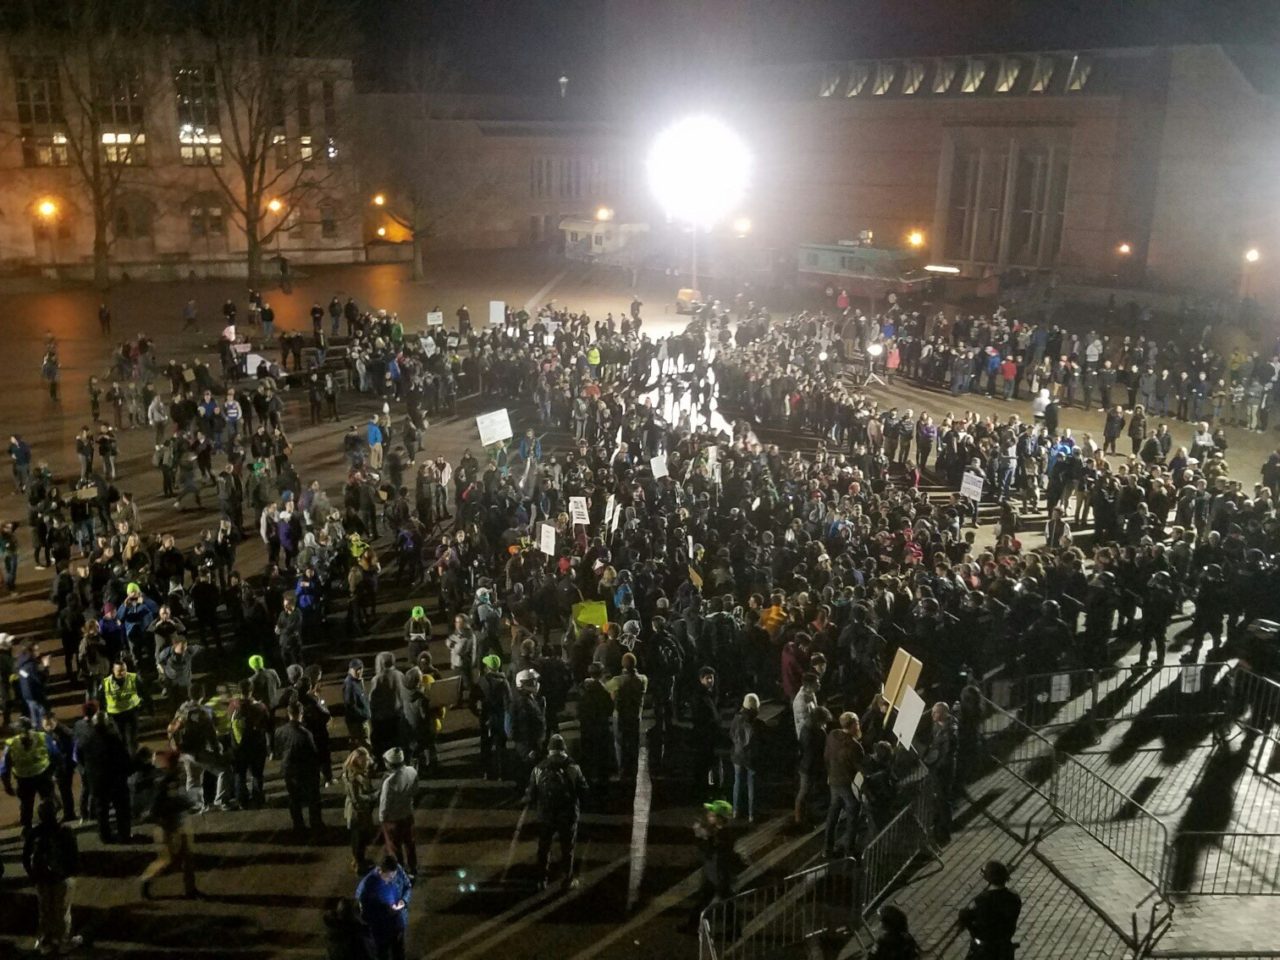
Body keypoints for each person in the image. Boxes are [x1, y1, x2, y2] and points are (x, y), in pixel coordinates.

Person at [525, 733, 588, 891]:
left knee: (544, 846)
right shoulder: (573, 767)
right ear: (564, 748)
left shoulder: (539, 768)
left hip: (546, 814)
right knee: (568, 847)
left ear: (549, 749)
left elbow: (531, 793)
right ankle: (567, 879)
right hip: (567, 814)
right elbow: (583, 790)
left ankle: (541, 880)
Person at [22, 798, 84, 955]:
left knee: (45, 910)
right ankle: (63, 942)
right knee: (62, 911)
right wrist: (72, 873)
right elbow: (73, 857)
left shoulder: (34, 833)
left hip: (41, 879)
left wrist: (33, 875)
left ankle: (45, 942)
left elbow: (25, 857)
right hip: (61, 878)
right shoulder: (65, 831)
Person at [139, 749, 201, 899]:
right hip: (168, 825)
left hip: (178, 822)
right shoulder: (165, 781)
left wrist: (187, 803)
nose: (181, 766)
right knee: (167, 860)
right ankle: (146, 880)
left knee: (188, 858)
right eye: (178, 763)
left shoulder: (171, 778)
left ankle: (191, 890)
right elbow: (157, 807)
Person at [685, 799, 743, 932]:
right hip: (714, 872)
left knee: (724, 901)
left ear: (719, 818)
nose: (708, 816)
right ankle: (693, 925)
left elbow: (712, 852)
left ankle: (734, 929)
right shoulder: (718, 832)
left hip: (718, 874)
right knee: (708, 898)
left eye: (712, 815)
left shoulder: (723, 835)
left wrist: (703, 838)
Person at [275, 698, 325, 836]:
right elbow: (313, 753)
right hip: (305, 769)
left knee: (294, 798)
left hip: (288, 769)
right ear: (301, 713)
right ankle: (316, 823)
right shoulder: (305, 734)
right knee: (313, 798)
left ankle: (298, 824)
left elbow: (277, 750)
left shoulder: (279, 731)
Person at [2, 716, 58, 832]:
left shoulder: (11, 744)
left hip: (24, 780)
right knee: (48, 801)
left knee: (26, 806)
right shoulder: (42, 737)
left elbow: (4, 768)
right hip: (43, 775)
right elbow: (55, 755)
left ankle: (27, 829)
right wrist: (53, 772)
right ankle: (52, 825)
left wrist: (7, 785)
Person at [959, 860, 1022, 960]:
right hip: (1005, 948)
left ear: (988, 878)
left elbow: (966, 916)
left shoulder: (982, 900)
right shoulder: (1014, 897)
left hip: (985, 949)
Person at [823, 711, 865, 858]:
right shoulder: (854, 746)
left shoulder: (832, 735)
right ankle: (850, 850)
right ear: (853, 725)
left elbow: (826, 756)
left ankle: (827, 849)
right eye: (857, 723)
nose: (859, 725)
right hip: (847, 784)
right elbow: (861, 768)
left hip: (833, 781)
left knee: (833, 814)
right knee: (853, 814)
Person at [356, 854, 412, 960]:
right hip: (381, 930)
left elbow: (407, 886)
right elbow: (365, 913)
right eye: (389, 877)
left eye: (394, 876)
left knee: (399, 953)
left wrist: (404, 901)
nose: (392, 880)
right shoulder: (368, 886)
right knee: (383, 955)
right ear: (381, 871)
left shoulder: (398, 870)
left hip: (398, 924)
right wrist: (385, 912)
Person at [379, 747, 419, 881]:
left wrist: (382, 818)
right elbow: (415, 790)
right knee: (410, 843)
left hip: (393, 820)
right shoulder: (412, 771)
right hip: (407, 814)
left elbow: (384, 804)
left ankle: (400, 871)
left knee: (394, 847)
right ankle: (413, 868)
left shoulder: (389, 782)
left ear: (390, 764)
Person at [923, 701, 958, 843]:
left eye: (935, 712)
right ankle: (938, 826)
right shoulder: (937, 725)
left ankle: (944, 831)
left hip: (945, 769)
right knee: (938, 798)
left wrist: (936, 767)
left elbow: (947, 754)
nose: (932, 715)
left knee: (944, 799)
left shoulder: (950, 732)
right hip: (937, 766)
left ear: (944, 713)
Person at [343, 746, 380, 874]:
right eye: (365, 760)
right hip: (357, 812)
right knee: (359, 839)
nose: (368, 762)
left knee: (359, 838)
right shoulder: (354, 776)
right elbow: (357, 798)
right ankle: (359, 865)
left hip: (359, 811)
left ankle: (358, 861)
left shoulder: (356, 772)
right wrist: (374, 796)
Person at [729, 693, 765, 824]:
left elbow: (732, 735)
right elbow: (762, 742)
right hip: (751, 758)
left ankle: (736, 811)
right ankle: (751, 814)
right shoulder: (758, 723)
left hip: (737, 755)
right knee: (752, 786)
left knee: (737, 782)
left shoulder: (736, 719)